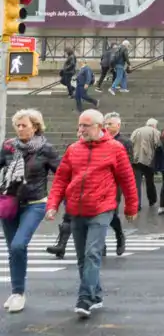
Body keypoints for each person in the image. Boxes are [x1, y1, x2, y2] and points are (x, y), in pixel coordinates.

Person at [45, 109, 138, 319]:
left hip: (101, 208)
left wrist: (131, 206)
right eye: (79, 125)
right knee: (81, 257)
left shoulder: (116, 149)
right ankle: (96, 295)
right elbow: (61, 179)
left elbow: (127, 179)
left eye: (85, 126)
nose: (80, 130)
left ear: (99, 127)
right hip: (76, 210)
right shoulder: (73, 149)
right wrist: (52, 204)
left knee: (92, 254)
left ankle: (84, 298)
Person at [0, 109, 59, 313]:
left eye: (24, 125)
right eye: (17, 125)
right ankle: (17, 292)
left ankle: (18, 293)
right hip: (9, 203)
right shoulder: (8, 147)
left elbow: (59, 175)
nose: (20, 128)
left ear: (35, 126)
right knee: (13, 250)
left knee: (18, 245)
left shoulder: (46, 149)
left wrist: (55, 203)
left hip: (35, 203)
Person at [101, 113, 132, 256]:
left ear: (118, 126)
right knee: (99, 213)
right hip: (99, 181)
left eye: (110, 124)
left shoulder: (124, 142)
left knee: (111, 213)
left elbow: (127, 165)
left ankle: (119, 235)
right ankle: (101, 243)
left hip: (115, 183)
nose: (107, 127)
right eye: (105, 124)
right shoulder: (100, 140)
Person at [129, 118, 161, 211]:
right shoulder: (155, 132)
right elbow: (158, 145)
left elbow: (131, 142)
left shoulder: (136, 130)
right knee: (150, 181)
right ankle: (152, 200)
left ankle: (137, 204)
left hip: (136, 160)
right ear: (154, 125)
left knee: (136, 183)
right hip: (149, 160)